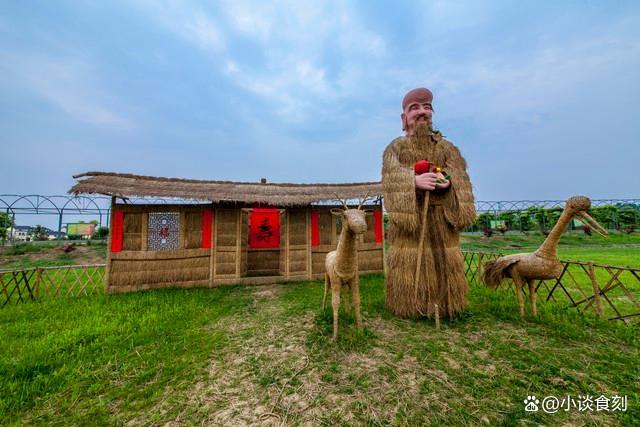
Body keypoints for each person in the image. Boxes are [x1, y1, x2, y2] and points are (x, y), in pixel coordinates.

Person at [381, 87, 475, 318]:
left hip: (442, 221)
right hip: (413, 224)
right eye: (414, 108)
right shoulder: (396, 148)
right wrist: (413, 181)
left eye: (427, 107)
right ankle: (411, 306)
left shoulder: (447, 148)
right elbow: (390, 179)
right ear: (404, 118)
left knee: (445, 262)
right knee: (412, 263)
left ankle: (447, 306)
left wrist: (448, 182)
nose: (422, 112)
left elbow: (459, 176)